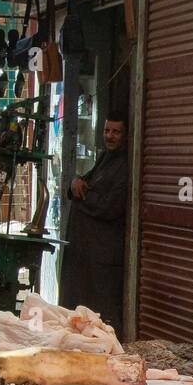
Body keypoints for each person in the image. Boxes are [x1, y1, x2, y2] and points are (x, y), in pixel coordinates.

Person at [59, 114, 129, 333]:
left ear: (125, 135)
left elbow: (110, 206)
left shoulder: (125, 166)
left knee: (101, 314)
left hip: (103, 255)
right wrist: (75, 183)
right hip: (87, 252)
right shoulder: (104, 159)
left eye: (116, 132)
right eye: (107, 131)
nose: (110, 136)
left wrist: (83, 195)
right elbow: (83, 183)